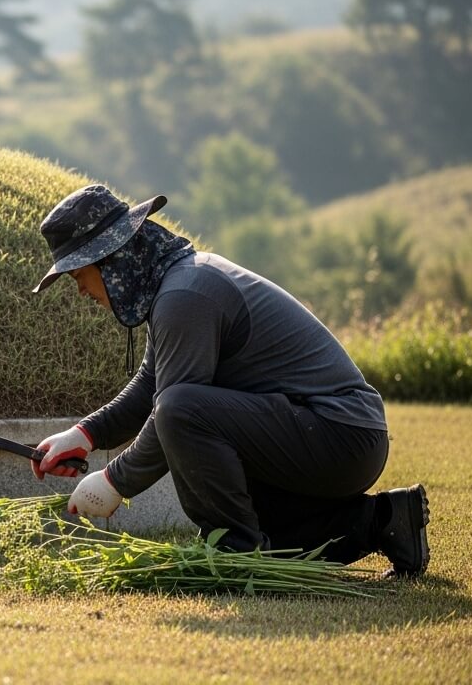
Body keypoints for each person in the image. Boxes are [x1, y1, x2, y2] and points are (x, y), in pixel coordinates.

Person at [28, 184, 429, 577]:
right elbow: (153, 381)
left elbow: (175, 411)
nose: (79, 290)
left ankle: (235, 553)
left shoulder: (185, 296)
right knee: (266, 527)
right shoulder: (174, 285)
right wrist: (85, 434)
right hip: (336, 435)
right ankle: (387, 520)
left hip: (340, 434)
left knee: (182, 411)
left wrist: (115, 481)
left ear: (111, 261)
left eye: (78, 274)